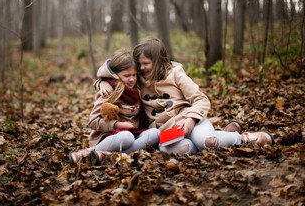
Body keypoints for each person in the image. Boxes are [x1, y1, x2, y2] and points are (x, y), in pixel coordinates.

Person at [97, 36, 274, 156]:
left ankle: (247, 138)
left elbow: (201, 99)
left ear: (158, 61)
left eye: (146, 64)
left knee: (207, 141)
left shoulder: (175, 73)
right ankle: (223, 136)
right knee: (178, 151)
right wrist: (101, 82)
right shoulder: (137, 81)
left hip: (191, 122)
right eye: (140, 64)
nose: (141, 69)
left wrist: (190, 120)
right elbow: (115, 70)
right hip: (168, 133)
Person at [69, 49, 160, 166]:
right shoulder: (109, 91)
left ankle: (108, 156)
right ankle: (89, 152)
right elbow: (93, 122)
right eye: (126, 76)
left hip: (133, 132)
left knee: (155, 133)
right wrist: (117, 125)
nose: (132, 79)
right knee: (126, 137)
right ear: (116, 75)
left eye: (134, 75)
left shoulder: (137, 88)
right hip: (109, 136)